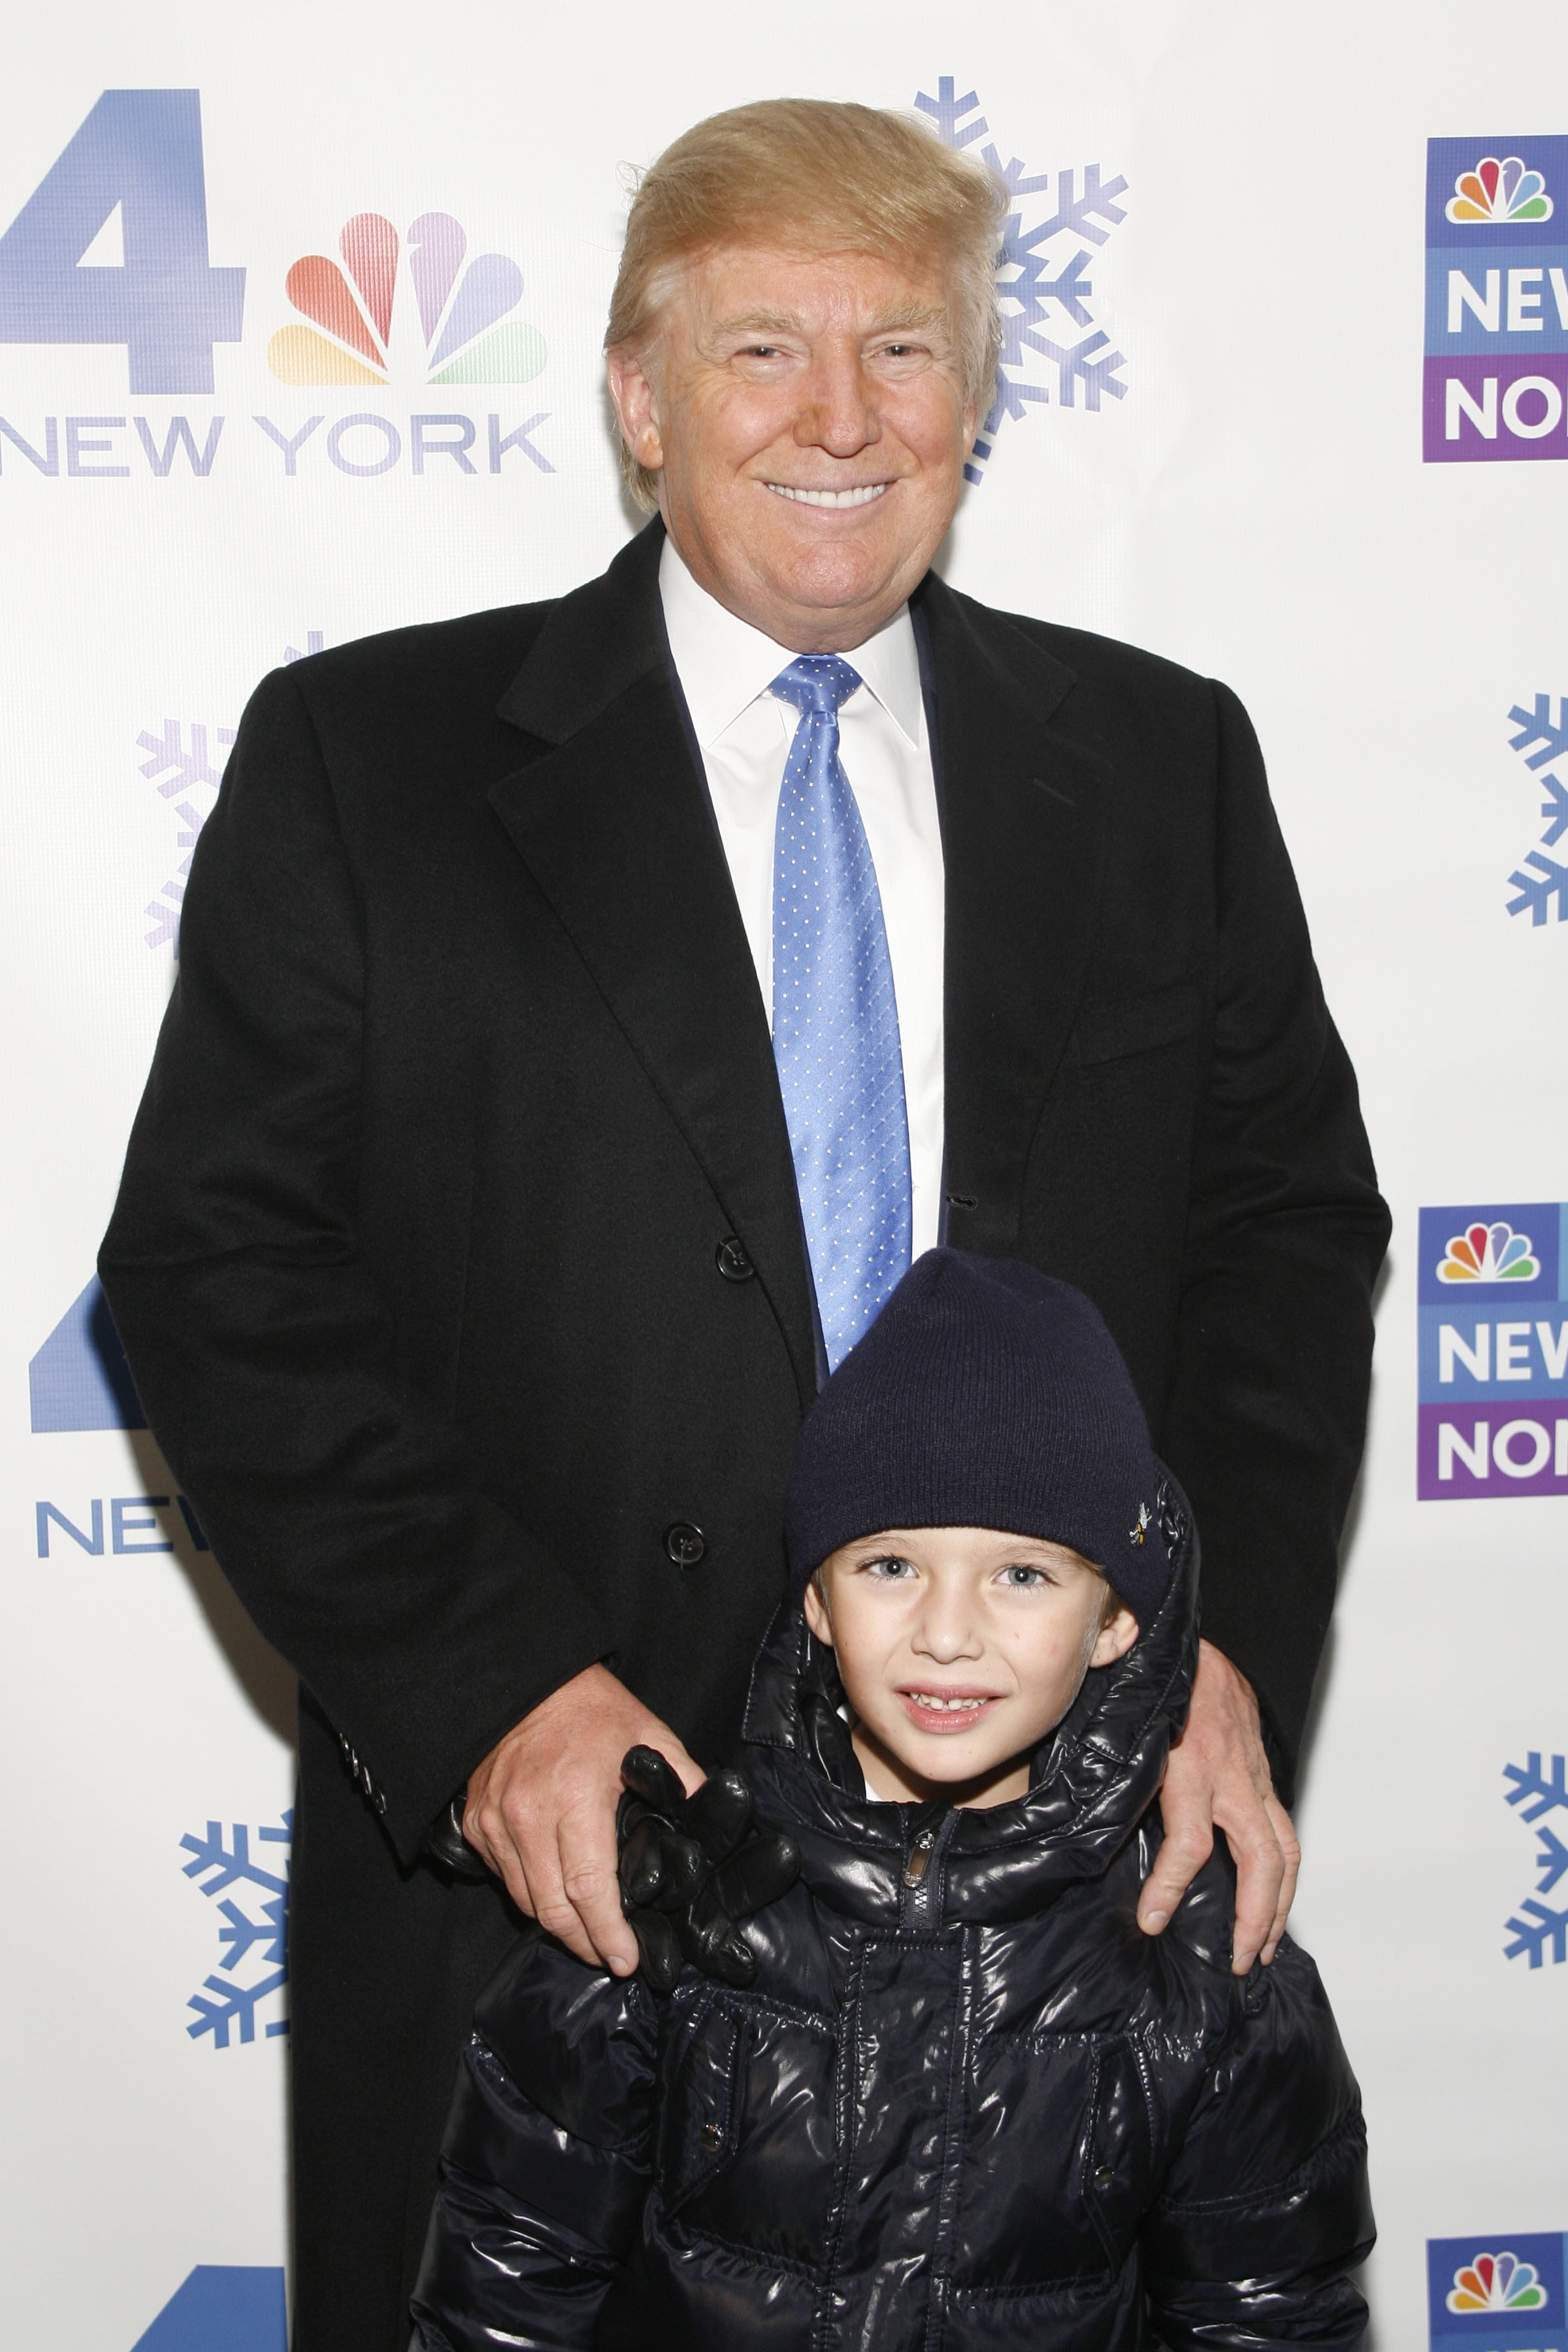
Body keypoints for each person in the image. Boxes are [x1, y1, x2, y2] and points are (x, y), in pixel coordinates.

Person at [97, 99, 1388, 2351]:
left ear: (975, 405)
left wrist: (1216, 1650)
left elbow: (1287, 1232)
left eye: (902, 350)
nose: (839, 416)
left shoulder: (1160, 761)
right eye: (765, 348)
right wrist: (493, 1689)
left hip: (1064, 1945)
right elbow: (218, 1275)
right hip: (553, 1917)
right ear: (635, 396)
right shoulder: (366, 759)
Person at [408, 1251, 1374, 2352]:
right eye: (889, 1567)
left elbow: (1273, 2321)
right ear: (816, 1599)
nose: (948, 1632)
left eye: (1023, 1576)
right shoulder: (666, 1917)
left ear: (1118, 1624)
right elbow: (506, 2294)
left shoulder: (1204, 1967)